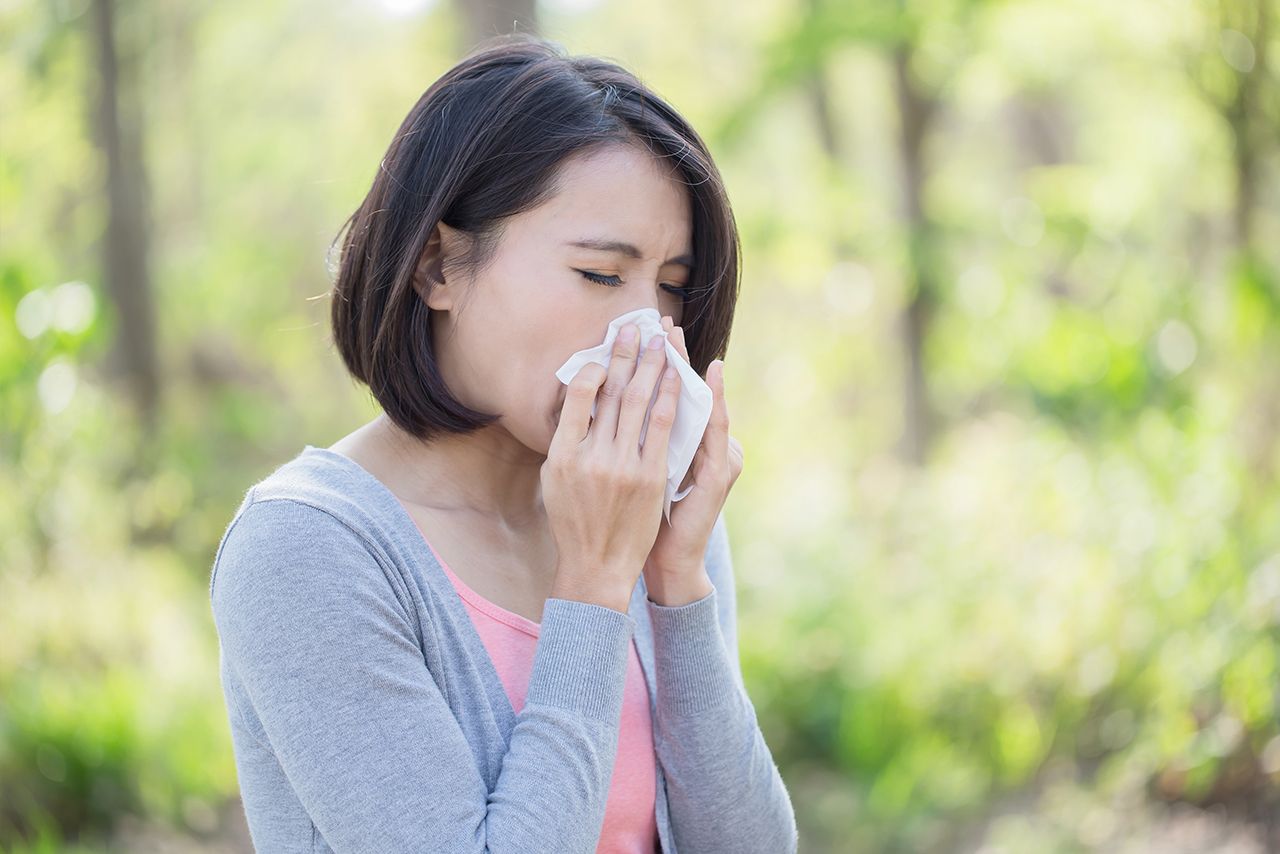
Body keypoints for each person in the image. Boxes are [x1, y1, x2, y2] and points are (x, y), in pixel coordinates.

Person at [209, 32, 798, 854]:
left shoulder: (649, 510)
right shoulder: (307, 549)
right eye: (599, 274)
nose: (649, 334)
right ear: (436, 267)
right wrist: (593, 584)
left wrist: (675, 588)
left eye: (671, 286)